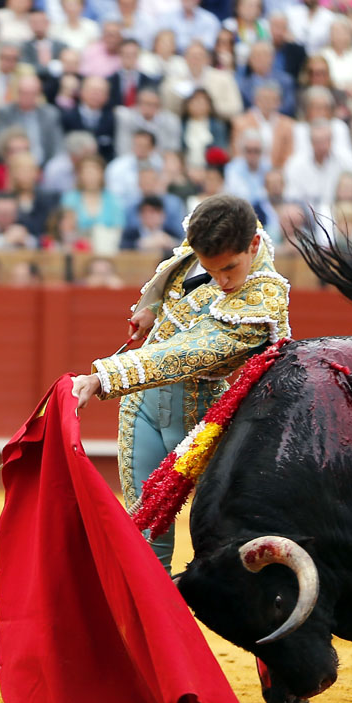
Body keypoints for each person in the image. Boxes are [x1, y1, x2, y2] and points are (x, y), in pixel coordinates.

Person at [71, 194, 291, 574]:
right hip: (142, 407)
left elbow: (187, 352)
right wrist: (152, 308)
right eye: (213, 270)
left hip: (203, 425)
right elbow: (179, 276)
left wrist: (103, 376)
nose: (222, 282)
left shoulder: (264, 299)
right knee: (144, 533)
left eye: (229, 270)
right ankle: (151, 628)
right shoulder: (212, 235)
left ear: (253, 245)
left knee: (228, 537)